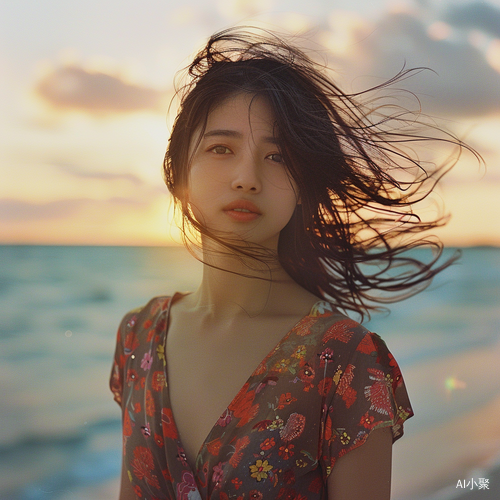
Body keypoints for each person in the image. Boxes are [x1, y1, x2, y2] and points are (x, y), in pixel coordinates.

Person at [110, 28, 478, 500]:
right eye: (221, 148)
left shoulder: (346, 361)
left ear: (303, 184)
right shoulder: (138, 336)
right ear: (179, 170)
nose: (247, 177)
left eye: (278, 156)